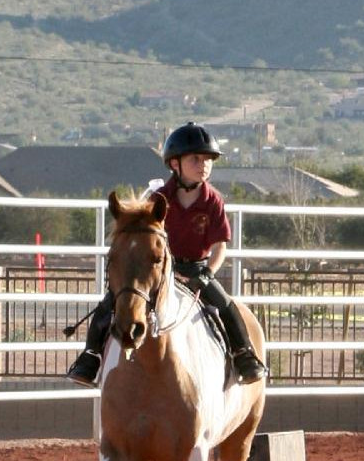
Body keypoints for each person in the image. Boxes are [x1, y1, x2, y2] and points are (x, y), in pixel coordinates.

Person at [66, 122, 268, 385]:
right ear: (175, 164)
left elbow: (221, 246)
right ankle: (90, 357)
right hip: (160, 270)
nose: (203, 164)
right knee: (110, 302)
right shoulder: (160, 197)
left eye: (208, 159)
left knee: (226, 304)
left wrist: (207, 274)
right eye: (196, 158)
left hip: (197, 270)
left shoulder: (213, 200)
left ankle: (245, 355)